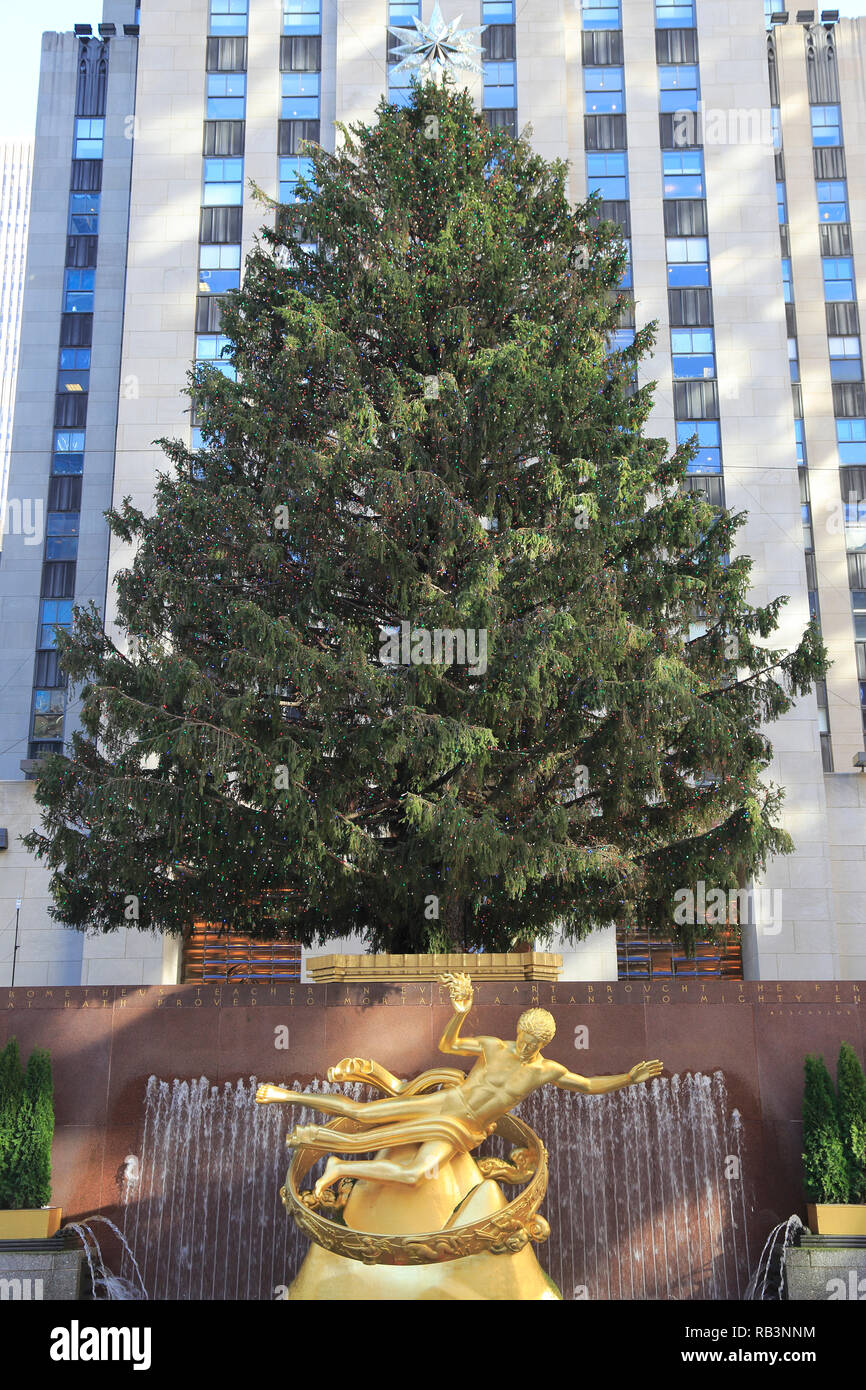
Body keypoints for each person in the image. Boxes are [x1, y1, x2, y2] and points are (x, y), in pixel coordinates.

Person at [255, 972, 662, 1197]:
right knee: (364, 1113)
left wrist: (628, 1078)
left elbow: (589, 1085)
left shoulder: (546, 1070)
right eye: (521, 1036)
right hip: (446, 1103)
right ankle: (286, 1096)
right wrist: (460, 1012)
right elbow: (447, 1044)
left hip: (463, 1129)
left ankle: (341, 1165)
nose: (522, 1044)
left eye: (531, 1042)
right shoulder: (492, 1046)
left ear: (543, 1044)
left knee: (416, 1175)